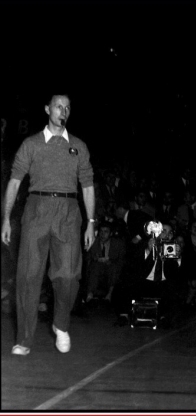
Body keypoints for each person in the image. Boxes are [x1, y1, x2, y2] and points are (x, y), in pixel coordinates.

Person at [1, 94, 95, 355]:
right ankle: (24, 339)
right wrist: (6, 219)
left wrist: (91, 222)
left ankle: (60, 324)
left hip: (68, 211)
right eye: (58, 106)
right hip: (36, 209)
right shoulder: (31, 144)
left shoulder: (78, 146)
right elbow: (15, 182)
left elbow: (87, 186)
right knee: (28, 276)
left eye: (67, 107)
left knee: (68, 275)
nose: (62, 111)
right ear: (47, 110)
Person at [86, 221, 126, 303]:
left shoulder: (118, 244)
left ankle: (110, 294)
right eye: (101, 231)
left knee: (114, 268)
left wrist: (110, 261)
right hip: (97, 268)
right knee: (95, 266)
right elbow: (87, 258)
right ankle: (90, 294)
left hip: (111, 268)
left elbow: (122, 260)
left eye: (106, 232)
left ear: (110, 233)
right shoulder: (93, 242)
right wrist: (95, 259)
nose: (102, 234)